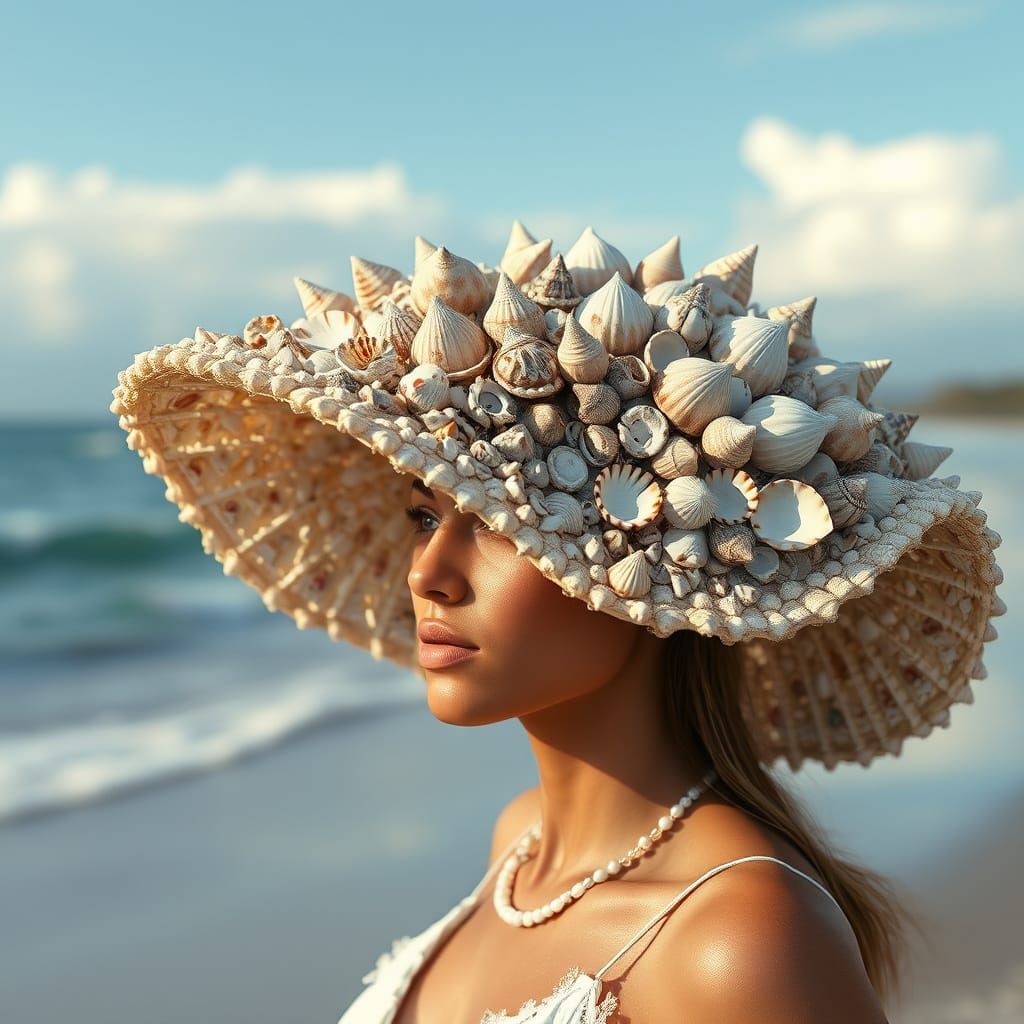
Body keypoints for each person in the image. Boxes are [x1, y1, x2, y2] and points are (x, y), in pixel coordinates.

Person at [110, 223, 1005, 1023]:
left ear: (659, 556)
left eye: (498, 524)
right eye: (425, 515)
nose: (427, 573)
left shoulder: (732, 941)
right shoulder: (522, 841)